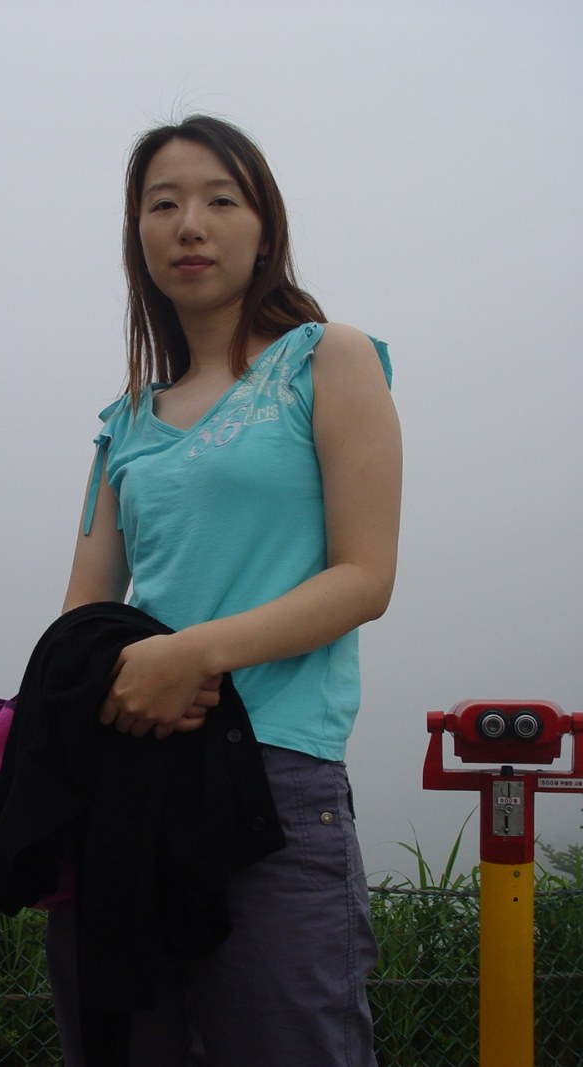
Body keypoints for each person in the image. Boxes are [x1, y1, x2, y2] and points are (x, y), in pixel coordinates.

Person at [45, 114, 402, 1067]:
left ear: (264, 226)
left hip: (274, 777)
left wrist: (193, 653)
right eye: (162, 205)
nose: (190, 225)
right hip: (130, 783)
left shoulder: (327, 359)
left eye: (219, 200)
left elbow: (365, 576)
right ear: (139, 237)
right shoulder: (124, 423)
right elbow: (83, 617)